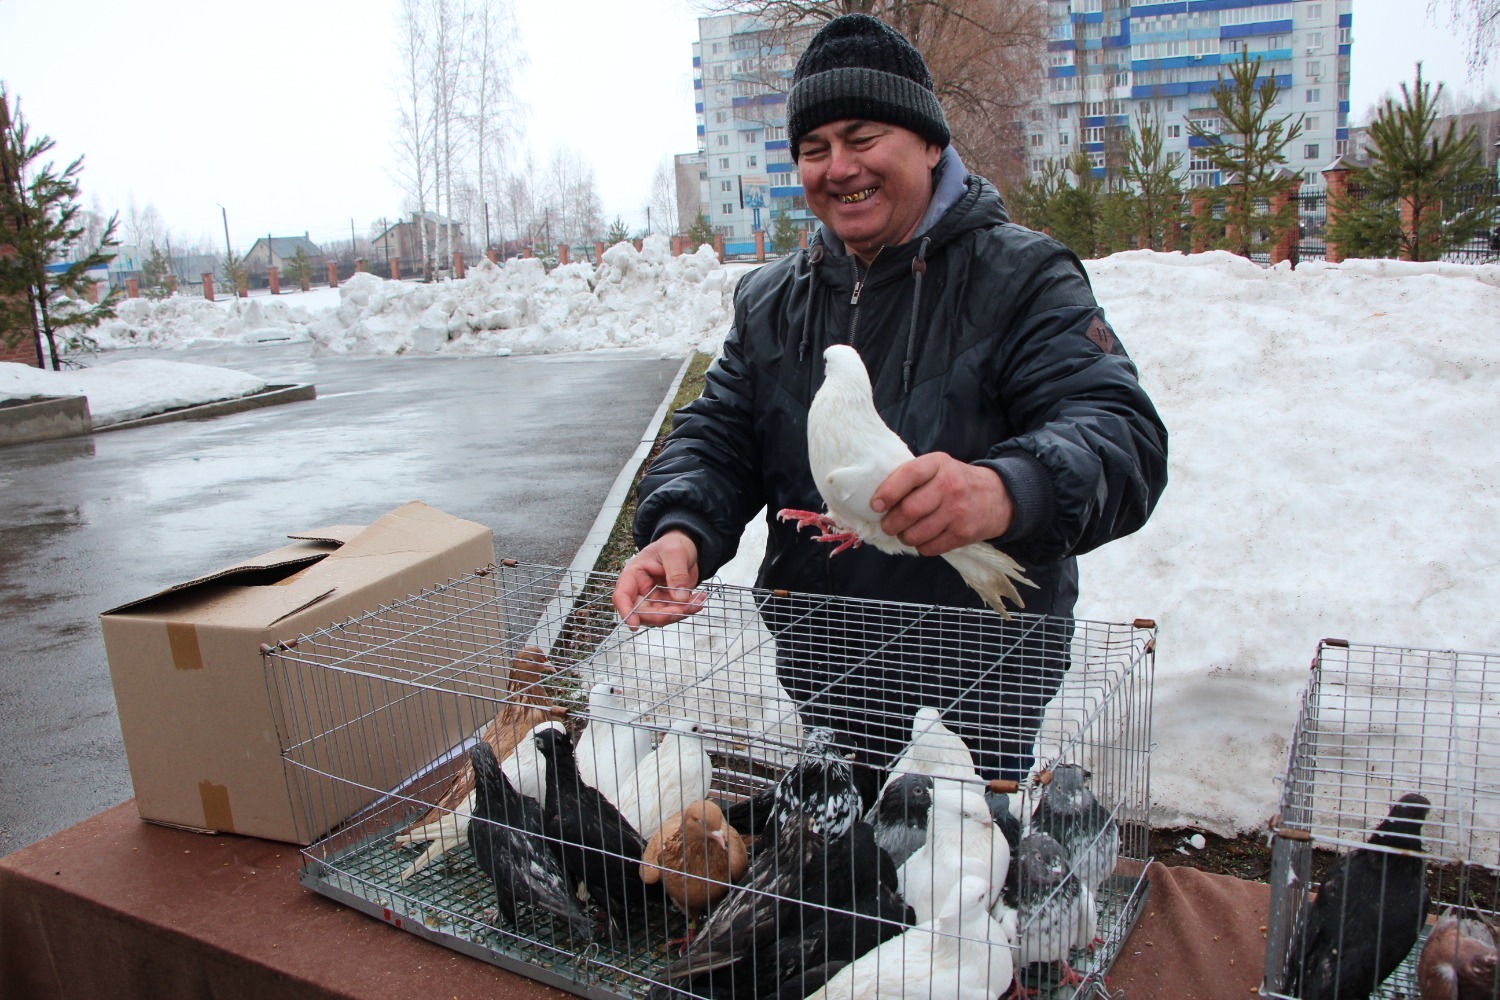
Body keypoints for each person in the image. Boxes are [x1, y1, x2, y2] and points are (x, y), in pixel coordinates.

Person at [612, 13, 1168, 789]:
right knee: (844, 881)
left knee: (968, 886)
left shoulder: (1025, 278)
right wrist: (680, 529)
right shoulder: (772, 302)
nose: (838, 168)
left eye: (862, 136)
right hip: (832, 666)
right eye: (814, 149)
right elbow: (721, 433)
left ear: (930, 143)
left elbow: (1123, 438)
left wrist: (1005, 490)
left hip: (984, 675)